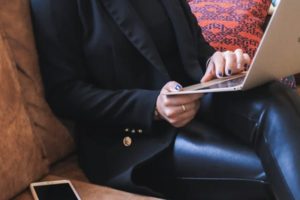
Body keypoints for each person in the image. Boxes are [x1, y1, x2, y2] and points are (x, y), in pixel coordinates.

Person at [30, 0, 300, 199]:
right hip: (134, 137)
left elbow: (196, 47)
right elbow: (65, 92)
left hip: (197, 99)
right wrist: (152, 107)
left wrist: (217, 60)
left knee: (277, 97)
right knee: (271, 171)